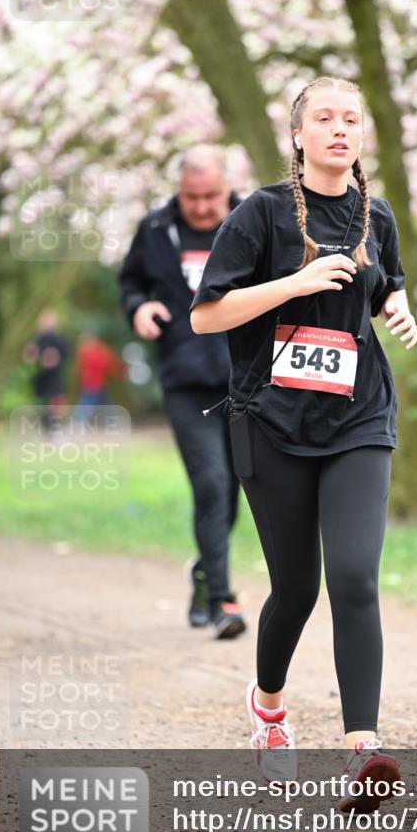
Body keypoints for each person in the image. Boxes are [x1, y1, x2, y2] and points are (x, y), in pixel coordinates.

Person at [190, 76, 417, 808]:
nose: (339, 129)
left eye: (351, 117)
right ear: (298, 136)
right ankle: (267, 707)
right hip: (272, 421)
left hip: (358, 415)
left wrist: (396, 306)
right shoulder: (257, 214)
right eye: (323, 117)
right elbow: (207, 317)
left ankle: (363, 751)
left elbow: (385, 281)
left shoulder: (373, 213)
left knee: (353, 577)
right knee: (296, 588)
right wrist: (293, 283)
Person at [118, 145, 246, 639]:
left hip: (246, 380)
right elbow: (130, 282)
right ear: (179, 191)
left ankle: (203, 576)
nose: (200, 207)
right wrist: (139, 309)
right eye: (191, 197)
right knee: (211, 484)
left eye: (210, 196)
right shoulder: (154, 229)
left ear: (226, 186)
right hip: (185, 381)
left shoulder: (252, 220)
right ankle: (222, 599)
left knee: (235, 492)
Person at [22, 309, 70, 433]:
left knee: (56, 402)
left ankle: (56, 429)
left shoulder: (59, 339)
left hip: (55, 376)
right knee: (43, 404)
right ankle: (46, 430)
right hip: (42, 376)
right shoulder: (38, 339)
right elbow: (29, 356)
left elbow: (66, 354)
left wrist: (54, 358)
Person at [73, 333, 124, 421]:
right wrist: (119, 373)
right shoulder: (98, 351)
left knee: (98, 401)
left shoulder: (85, 351)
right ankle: (78, 421)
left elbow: (79, 368)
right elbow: (108, 364)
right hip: (93, 383)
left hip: (93, 382)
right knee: (89, 402)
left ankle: (113, 420)